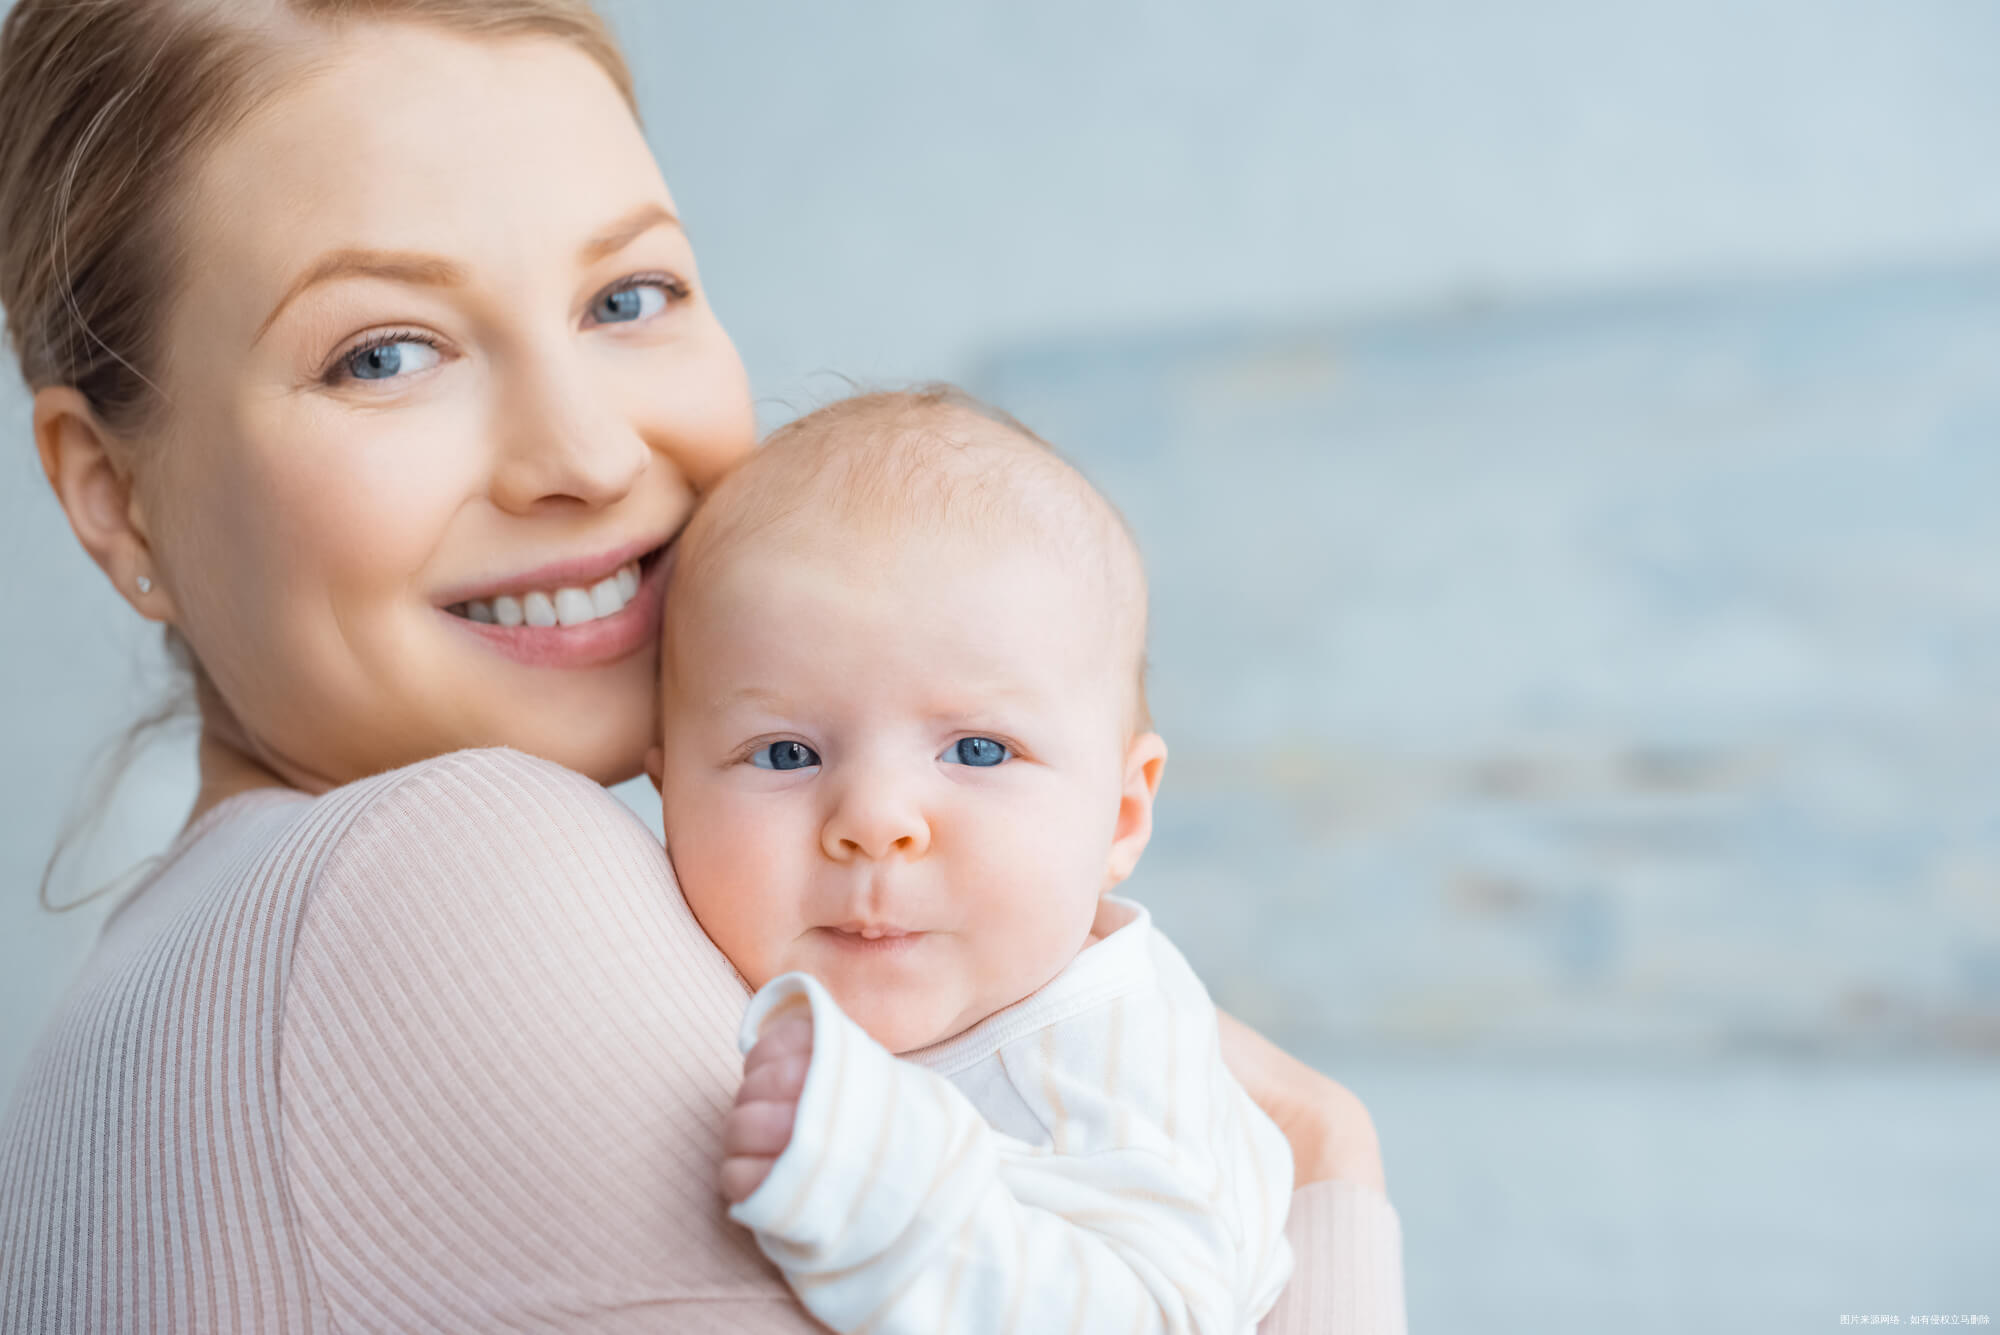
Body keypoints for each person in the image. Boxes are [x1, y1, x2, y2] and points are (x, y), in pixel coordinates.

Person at [0, 2, 1406, 1331]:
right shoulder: (451, 866)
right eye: (383, 351)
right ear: (110, 491)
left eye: (629, 295)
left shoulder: (158, 970)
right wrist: (1327, 1165)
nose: (589, 456)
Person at [652, 388, 1292, 1332]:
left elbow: (1164, 1311)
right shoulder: (648, 946)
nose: (874, 823)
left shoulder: (1102, 1052)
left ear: (1120, 814)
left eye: (980, 751)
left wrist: (891, 1187)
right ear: (664, 793)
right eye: (786, 753)